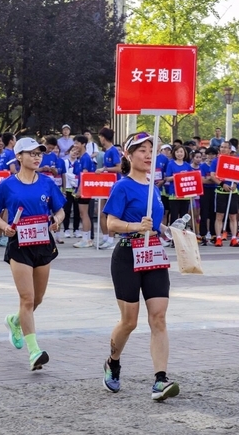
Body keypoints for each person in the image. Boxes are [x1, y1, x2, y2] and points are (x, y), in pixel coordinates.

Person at [101, 132, 179, 401]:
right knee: (129, 321)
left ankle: (160, 379)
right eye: (142, 150)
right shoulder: (122, 186)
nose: (148, 155)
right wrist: (136, 226)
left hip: (154, 255)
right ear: (129, 155)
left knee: (158, 317)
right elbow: (111, 224)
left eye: (151, 150)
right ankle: (113, 362)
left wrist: (170, 230)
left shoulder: (153, 187)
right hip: (127, 255)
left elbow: (154, 225)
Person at [0, 137, 66, 371]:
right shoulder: (7, 185)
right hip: (19, 244)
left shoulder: (47, 182)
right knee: (27, 299)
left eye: (39, 153)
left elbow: (59, 210)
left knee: (37, 299)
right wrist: (4, 226)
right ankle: (34, 351)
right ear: (19, 156)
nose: (37, 157)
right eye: (31, 153)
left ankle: (15, 321)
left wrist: (56, 220)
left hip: (43, 242)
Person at [96, 128, 122, 248]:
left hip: (114, 186)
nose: (100, 139)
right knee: (101, 212)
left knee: (111, 213)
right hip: (105, 185)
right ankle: (105, 237)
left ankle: (111, 240)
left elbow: (119, 168)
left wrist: (104, 169)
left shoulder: (113, 151)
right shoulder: (106, 151)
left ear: (104, 137)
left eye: (100, 136)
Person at [72, 135, 95, 248]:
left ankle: (86, 239)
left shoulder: (86, 158)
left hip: (85, 190)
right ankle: (87, 238)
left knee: (84, 213)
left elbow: (85, 175)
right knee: (83, 213)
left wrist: (80, 190)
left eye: (77, 143)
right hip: (82, 188)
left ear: (83, 144)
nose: (75, 145)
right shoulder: (80, 158)